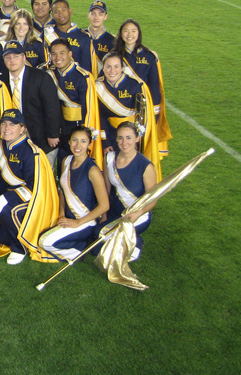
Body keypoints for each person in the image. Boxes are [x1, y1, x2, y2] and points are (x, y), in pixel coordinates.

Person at [0, 109, 59, 264]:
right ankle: (7, 233)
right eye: (4, 124)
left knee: (9, 210)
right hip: (6, 195)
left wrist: (7, 198)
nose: (7, 128)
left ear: (22, 129)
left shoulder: (32, 152)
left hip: (32, 198)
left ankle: (20, 247)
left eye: (12, 125)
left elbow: (35, 186)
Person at [39, 126, 109, 261]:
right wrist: (61, 213)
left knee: (45, 241)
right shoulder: (66, 160)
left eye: (83, 141)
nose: (78, 145)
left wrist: (78, 222)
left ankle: (79, 250)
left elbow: (104, 205)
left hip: (85, 222)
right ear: (69, 142)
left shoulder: (92, 170)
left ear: (89, 143)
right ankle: (78, 245)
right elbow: (62, 191)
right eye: (75, 140)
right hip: (67, 217)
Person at [92, 122, 157, 261]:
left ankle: (136, 243)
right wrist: (103, 214)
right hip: (115, 210)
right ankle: (129, 240)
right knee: (97, 239)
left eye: (128, 137)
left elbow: (153, 200)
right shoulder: (109, 158)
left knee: (101, 236)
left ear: (137, 138)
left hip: (138, 215)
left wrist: (137, 214)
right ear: (116, 139)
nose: (124, 142)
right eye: (120, 138)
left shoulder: (146, 166)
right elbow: (106, 189)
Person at [94, 53, 160, 179]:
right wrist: (105, 141)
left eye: (116, 66)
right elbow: (99, 116)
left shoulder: (136, 85)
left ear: (122, 68)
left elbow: (145, 116)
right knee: (113, 170)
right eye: (108, 67)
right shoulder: (97, 86)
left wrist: (138, 137)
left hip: (132, 136)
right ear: (103, 67)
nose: (112, 71)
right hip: (112, 135)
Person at [113, 19, 171, 158]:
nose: (129, 34)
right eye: (126, 31)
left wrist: (155, 115)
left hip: (143, 110)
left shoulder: (149, 56)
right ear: (121, 33)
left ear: (139, 34)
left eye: (133, 31)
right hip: (121, 108)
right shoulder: (114, 55)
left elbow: (154, 88)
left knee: (141, 151)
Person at [0, 41, 61, 160]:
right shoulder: (1, 80)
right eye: (8, 57)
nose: (12, 60)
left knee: (42, 173)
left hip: (40, 135)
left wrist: (53, 134)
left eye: (16, 56)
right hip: (13, 135)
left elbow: (52, 107)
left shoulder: (41, 77)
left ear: (23, 57)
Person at [47, 39, 102, 172]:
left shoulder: (83, 76)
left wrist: (85, 134)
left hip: (78, 125)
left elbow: (89, 109)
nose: (58, 57)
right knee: (62, 163)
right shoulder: (50, 74)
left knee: (79, 165)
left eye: (62, 53)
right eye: (53, 54)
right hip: (61, 127)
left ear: (70, 54)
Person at [43, 0, 92, 74]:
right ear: (52, 15)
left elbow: (86, 68)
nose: (60, 14)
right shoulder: (47, 33)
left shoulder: (83, 37)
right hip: (51, 79)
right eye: (56, 12)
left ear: (70, 11)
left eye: (64, 10)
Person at [83, 0, 114, 77]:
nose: (96, 17)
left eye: (100, 14)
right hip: (82, 83)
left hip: (102, 85)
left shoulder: (112, 41)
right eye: (93, 14)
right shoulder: (80, 36)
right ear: (88, 15)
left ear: (105, 16)